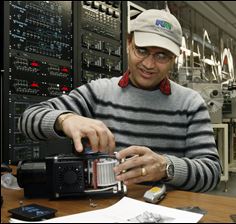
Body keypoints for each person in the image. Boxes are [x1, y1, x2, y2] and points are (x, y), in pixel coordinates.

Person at [19, 9, 221, 192]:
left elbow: (211, 173)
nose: (149, 64)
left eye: (162, 56)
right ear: (128, 43)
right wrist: (65, 119)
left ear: (174, 59)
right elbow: (27, 119)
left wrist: (165, 168)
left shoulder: (190, 103)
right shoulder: (98, 92)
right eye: (142, 50)